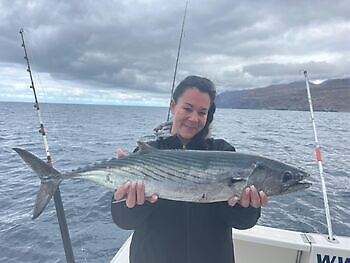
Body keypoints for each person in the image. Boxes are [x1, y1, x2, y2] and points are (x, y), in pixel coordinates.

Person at [111, 75, 268, 263]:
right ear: (172, 106)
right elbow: (124, 221)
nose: (194, 118)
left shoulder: (223, 152)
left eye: (202, 112)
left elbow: (242, 223)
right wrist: (133, 203)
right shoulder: (149, 154)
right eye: (187, 108)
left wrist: (247, 208)